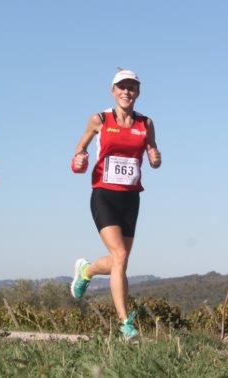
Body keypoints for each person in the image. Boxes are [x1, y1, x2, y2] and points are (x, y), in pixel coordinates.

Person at [69, 68, 162, 341]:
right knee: (120, 256)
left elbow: (153, 152)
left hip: (131, 198)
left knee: (119, 261)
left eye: (131, 87)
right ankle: (125, 324)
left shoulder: (146, 123)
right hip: (104, 195)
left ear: (138, 92)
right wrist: (78, 161)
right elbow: (79, 151)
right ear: (113, 91)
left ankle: (86, 270)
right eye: (122, 87)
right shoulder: (99, 119)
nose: (126, 92)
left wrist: (155, 157)